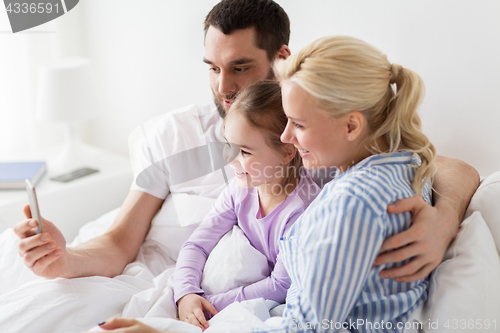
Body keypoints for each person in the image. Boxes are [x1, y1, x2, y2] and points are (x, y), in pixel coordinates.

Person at [12, 0, 477, 292]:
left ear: (281, 59)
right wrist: (64, 258)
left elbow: (448, 167)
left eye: (239, 67)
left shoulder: (312, 137)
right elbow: (119, 242)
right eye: (212, 68)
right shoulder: (171, 135)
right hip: (166, 279)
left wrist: (443, 219)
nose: (224, 87)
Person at [91, 35, 445, 333]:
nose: (288, 137)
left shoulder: (350, 201)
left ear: (351, 126)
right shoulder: (405, 162)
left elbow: (307, 327)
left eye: (299, 124)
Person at [174, 81, 320, 330]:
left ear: (287, 152)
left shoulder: (302, 211)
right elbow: (197, 244)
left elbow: (281, 285)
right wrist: (186, 293)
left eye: (245, 152)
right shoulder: (239, 191)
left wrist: (209, 303)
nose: (230, 159)